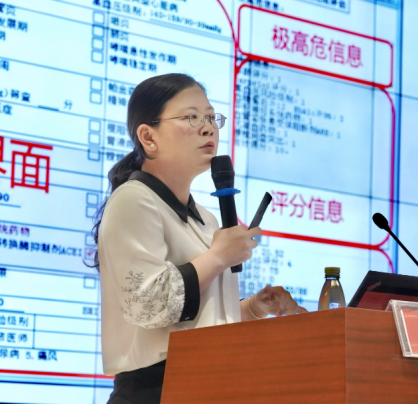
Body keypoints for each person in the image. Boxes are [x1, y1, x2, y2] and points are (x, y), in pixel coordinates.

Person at [90, 73, 308, 404]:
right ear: (148, 137)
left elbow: (196, 322)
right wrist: (218, 257)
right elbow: (148, 306)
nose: (208, 128)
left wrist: (251, 308)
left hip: (208, 384)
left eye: (210, 117)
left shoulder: (207, 219)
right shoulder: (133, 199)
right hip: (154, 391)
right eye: (191, 117)